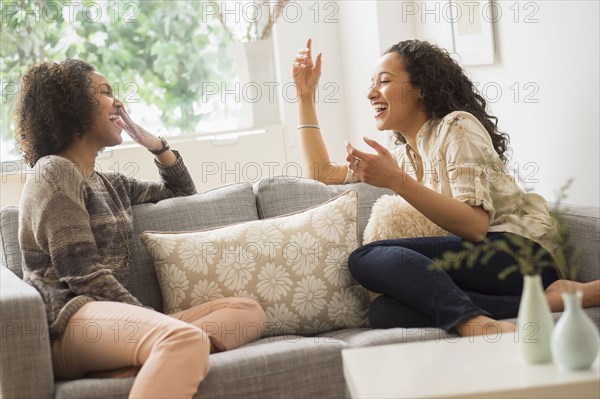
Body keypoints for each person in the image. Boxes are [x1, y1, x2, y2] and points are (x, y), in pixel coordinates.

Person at [292, 38, 599, 336]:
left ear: (420, 89)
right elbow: (323, 173)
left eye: (383, 81)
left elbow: (477, 226)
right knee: (384, 312)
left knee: (365, 258)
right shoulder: (405, 156)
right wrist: (306, 97)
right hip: (484, 268)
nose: (371, 92)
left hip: (522, 254)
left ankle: (471, 321)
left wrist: (396, 182)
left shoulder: (457, 126)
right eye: (372, 83)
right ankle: (548, 301)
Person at [15, 59, 268, 398]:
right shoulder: (54, 172)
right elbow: (82, 272)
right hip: (71, 324)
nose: (119, 102)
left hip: (113, 320)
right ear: (72, 107)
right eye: (105, 93)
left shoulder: (113, 184)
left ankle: (147, 360)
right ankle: (168, 347)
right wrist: (148, 317)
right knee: (184, 338)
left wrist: (157, 146)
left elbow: (181, 195)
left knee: (247, 312)